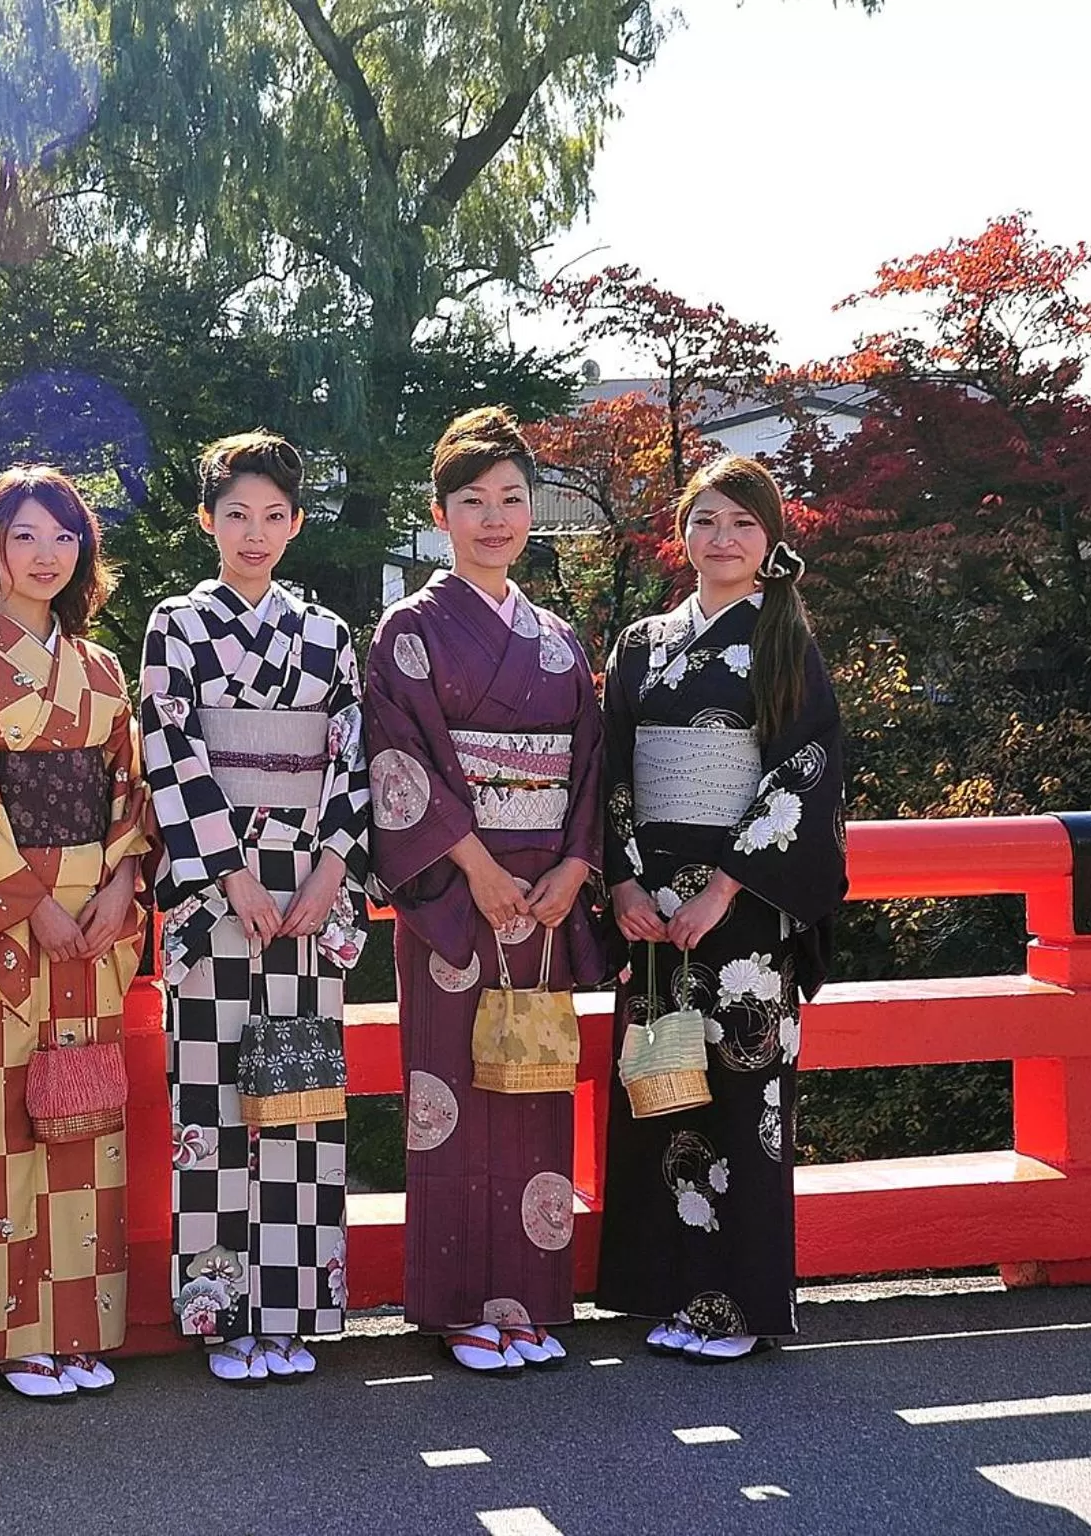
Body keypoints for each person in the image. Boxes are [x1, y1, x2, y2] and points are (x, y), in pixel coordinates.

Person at [0, 465, 150, 1400]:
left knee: (87, 1118)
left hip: (95, 920)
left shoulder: (102, 670)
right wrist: (29, 904)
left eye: (64, 536)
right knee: (6, 1125)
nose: (47, 554)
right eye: (26, 537)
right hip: (11, 924)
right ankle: (15, 1338)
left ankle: (81, 1331)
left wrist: (122, 883)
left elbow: (132, 790)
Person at [364, 406, 605, 1373]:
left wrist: (575, 868)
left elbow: (590, 767)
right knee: (452, 1095)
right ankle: (464, 1305)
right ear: (440, 514)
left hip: (543, 895)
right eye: (474, 501)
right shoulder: (409, 630)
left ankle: (530, 1301)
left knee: (534, 1086)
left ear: (532, 511)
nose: (495, 518)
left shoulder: (558, 640)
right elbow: (399, 761)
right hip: (458, 897)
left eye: (512, 499)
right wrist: (478, 866)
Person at [594, 453, 846, 1362]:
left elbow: (804, 773)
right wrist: (623, 882)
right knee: (660, 1092)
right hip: (652, 907)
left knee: (742, 1098)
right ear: (682, 534)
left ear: (769, 538)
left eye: (742, 522)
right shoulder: (641, 644)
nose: (722, 537)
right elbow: (610, 770)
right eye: (705, 519)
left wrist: (728, 885)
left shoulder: (783, 641)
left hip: (743, 912)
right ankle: (666, 1293)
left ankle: (737, 1305)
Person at [140, 430, 371, 1385]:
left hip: (307, 894)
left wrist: (330, 871)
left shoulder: (329, 636)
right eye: (236, 514)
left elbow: (353, 758)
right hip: (215, 893)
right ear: (207, 521)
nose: (255, 532)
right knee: (211, 1103)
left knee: (300, 1104)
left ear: (298, 524)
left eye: (274, 516)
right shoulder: (175, 627)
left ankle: (292, 1313)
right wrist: (231, 872)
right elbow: (169, 749)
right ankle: (219, 1313)